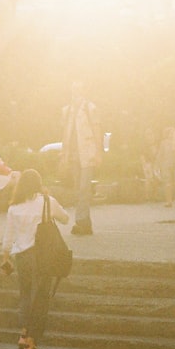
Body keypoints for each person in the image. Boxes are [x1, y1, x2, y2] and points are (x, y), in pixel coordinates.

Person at [1, 168, 69, 349]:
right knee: (40, 299)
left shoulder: (14, 207)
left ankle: (23, 335)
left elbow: (8, 237)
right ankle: (31, 344)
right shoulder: (47, 202)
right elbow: (65, 218)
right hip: (42, 256)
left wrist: (5, 258)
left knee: (25, 295)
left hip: (21, 256)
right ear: (39, 184)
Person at [60, 81, 101, 236]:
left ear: (84, 92)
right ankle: (86, 224)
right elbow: (66, 133)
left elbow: (97, 130)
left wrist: (98, 153)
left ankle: (79, 222)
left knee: (84, 188)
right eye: (73, 90)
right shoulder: (67, 110)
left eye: (78, 90)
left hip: (88, 153)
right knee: (79, 190)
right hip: (73, 156)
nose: (75, 93)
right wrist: (64, 154)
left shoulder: (91, 108)